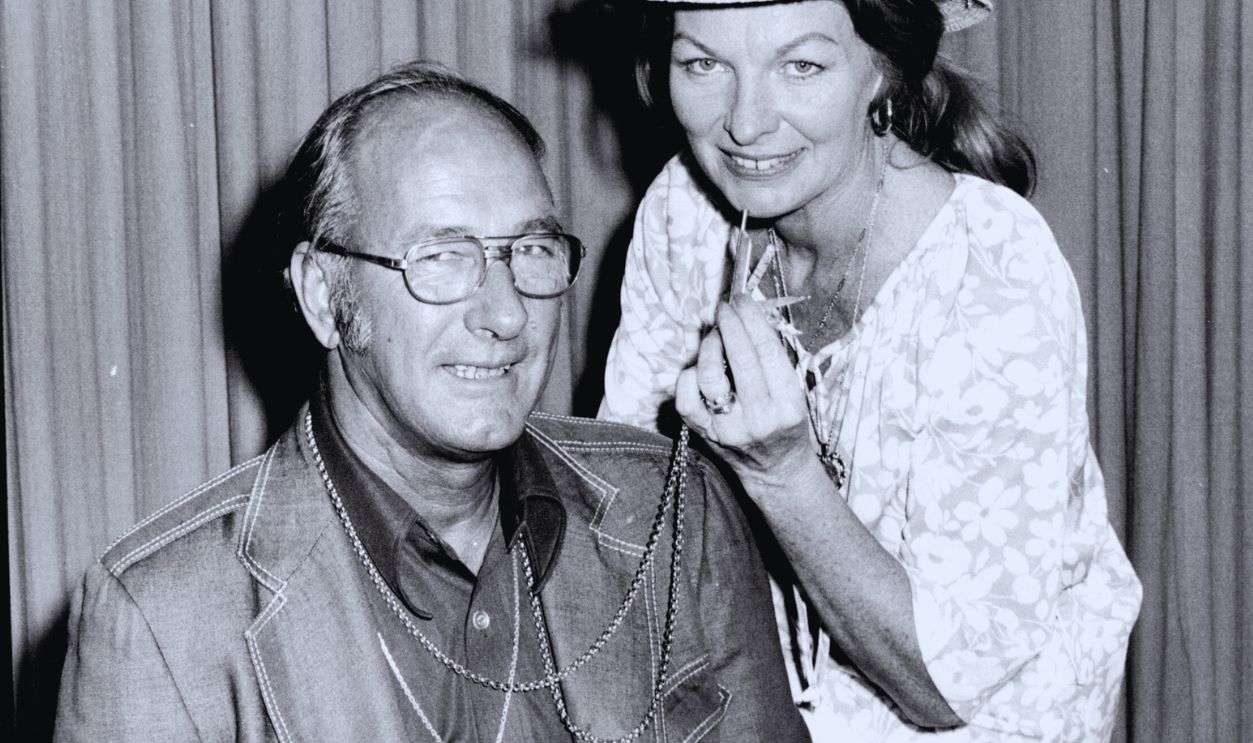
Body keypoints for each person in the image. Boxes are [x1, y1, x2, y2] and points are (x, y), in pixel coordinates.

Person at [54, 61, 807, 742]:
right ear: (324, 295)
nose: (506, 313)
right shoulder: (164, 617)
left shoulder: (674, 512)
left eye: (531, 251)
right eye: (443, 258)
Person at [599, 1, 1142, 740]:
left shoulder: (991, 271)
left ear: (880, 71)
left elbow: (943, 689)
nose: (746, 123)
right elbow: (622, 505)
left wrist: (780, 472)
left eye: (802, 66)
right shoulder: (685, 211)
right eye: (702, 64)